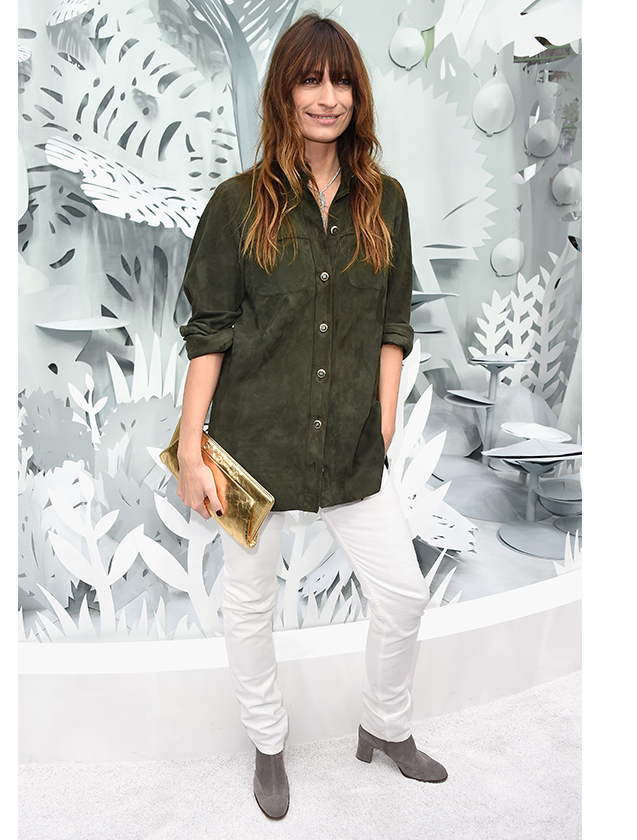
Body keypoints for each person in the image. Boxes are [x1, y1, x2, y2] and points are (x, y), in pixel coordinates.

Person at [176, 13, 445, 820]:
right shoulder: (236, 205)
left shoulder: (386, 202)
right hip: (250, 449)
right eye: (310, 80)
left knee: (403, 595)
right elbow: (209, 333)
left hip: (351, 448)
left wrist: (384, 420)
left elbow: (394, 324)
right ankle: (268, 746)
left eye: (341, 81)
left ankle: (384, 726)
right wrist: (191, 448)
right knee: (248, 605)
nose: (328, 97)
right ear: (283, 93)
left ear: (357, 95)